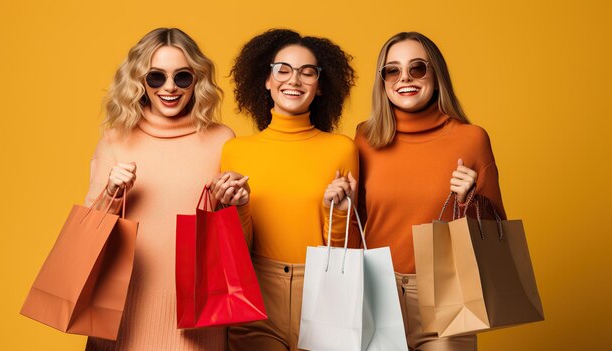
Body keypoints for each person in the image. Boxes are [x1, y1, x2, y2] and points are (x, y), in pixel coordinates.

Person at [355, 32, 506, 351]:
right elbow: (355, 224)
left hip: (447, 292)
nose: (404, 78)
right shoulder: (365, 139)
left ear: (436, 75)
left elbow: (497, 232)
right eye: (392, 70)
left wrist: (471, 200)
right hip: (376, 292)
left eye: (418, 68)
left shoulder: (471, 139)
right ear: (382, 82)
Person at [83, 28, 233, 351]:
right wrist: (111, 193)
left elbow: (232, 237)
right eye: (156, 77)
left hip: (195, 317)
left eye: (182, 77)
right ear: (139, 80)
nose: (169, 88)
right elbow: (88, 238)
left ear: (197, 81)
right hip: (122, 312)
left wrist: (231, 202)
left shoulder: (221, 140)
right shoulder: (115, 140)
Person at [209, 29, 358, 351]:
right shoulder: (235, 150)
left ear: (320, 86)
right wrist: (238, 207)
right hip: (256, 293)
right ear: (266, 79)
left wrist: (341, 212)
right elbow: (236, 248)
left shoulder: (341, 149)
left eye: (308, 72)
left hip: (324, 292)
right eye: (283, 70)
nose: (295, 80)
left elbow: (346, 246)